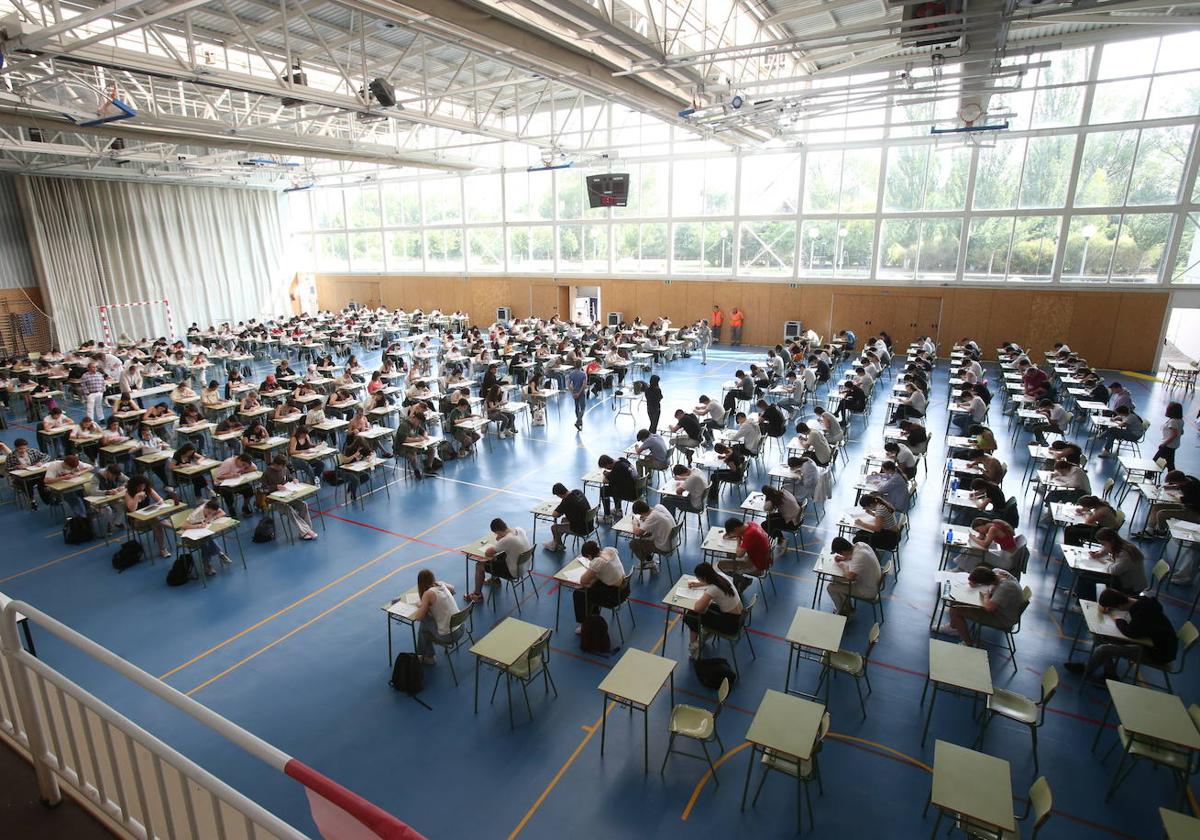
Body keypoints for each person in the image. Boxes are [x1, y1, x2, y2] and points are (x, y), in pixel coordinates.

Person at [1064, 589, 1177, 685]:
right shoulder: (1137, 600)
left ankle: (1086, 670)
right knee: (1101, 638)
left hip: (1158, 653)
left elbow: (1131, 633)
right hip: (1149, 642)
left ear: (1119, 606)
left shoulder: (1142, 613)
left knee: (1104, 649)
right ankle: (1110, 674)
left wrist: (1118, 620)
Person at [944, 566, 1024, 645]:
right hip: (1003, 609)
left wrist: (986, 596)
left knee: (956, 610)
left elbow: (989, 608)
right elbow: (988, 585)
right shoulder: (997, 572)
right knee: (955, 601)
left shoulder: (1004, 588)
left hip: (1003, 619)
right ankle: (953, 626)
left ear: (986, 583)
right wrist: (976, 583)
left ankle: (968, 643)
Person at [682, 562, 742, 659]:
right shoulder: (720, 576)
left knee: (691, 616)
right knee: (704, 610)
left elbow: (698, 607)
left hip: (730, 625)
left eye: (699, 578)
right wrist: (698, 584)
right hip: (738, 617)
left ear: (704, 578)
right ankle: (703, 635)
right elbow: (709, 582)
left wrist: (700, 598)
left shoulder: (713, 589)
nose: (698, 580)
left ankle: (693, 648)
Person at [570, 540, 626, 635]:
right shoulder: (609, 550)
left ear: (589, 556)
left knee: (579, 593)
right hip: (623, 590)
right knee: (591, 587)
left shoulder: (597, 562)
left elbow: (583, 580)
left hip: (612, 596)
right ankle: (593, 617)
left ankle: (584, 624)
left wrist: (589, 581)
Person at [468, 518, 531, 602]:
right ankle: (495, 580)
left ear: (497, 532)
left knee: (480, 565)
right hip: (525, 566)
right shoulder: (519, 529)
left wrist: (499, 540)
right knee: (499, 556)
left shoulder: (507, 540)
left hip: (514, 572)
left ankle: (477, 594)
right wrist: (501, 538)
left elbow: (488, 553)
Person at [409, 569, 463, 665]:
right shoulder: (441, 584)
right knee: (430, 618)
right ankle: (424, 654)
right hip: (461, 628)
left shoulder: (428, 594)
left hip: (449, 636)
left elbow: (418, 617)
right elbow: (453, 589)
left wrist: (421, 605)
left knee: (424, 622)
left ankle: (428, 656)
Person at [262, 454, 318, 541]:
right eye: (281, 466)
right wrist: (275, 487)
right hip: (274, 500)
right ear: (276, 464)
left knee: (303, 505)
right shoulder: (266, 473)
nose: (283, 468)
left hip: (287, 495)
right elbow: (264, 489)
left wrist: (293, 479)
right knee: (288, 509)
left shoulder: (284, 468)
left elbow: (288, 477)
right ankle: (307, 531)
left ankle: (303, 532)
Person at [826, 537, 881, 616]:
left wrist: (843, 566)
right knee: (836, 579)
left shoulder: (859, 557)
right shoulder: (860, 545)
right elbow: (854, 557)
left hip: (867, 590)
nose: (841, 555)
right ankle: (847, 608)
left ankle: (843, 614)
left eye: (841, 553)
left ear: (844, 551)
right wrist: (844, 558)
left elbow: (849, 577)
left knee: (831, 588)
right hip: (872, 583)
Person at [124, 474, 173, 559]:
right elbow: (132, 510)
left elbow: (160, 499)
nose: (141, 488)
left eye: (143, 486)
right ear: (134, 486)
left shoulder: (147, 489)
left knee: (156, 523)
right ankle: (175, 527)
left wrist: (157, 504)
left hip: (149, 516)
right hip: (136, 520)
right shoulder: (129, 494)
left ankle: (162, 549)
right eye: (139, 486)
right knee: (155, 520)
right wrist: (136, 497)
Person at [180, 498, 234, 575]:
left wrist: (212, 518)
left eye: (212, 513)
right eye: (208, 512)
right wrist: (198, 526)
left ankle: (207, 565)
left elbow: (222, 512)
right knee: (205, 541)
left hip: (203, 533)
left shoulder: (211, 505)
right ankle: (220, 553)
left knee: (206, 540)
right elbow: (183, 526)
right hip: (191, 535)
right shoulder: (196, 513)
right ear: (205, 507)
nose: (209, 514)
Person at [629, 499, 675, 573]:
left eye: (640, 514)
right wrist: (646, 519)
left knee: (633, 544)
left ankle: (649, 562)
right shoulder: (659, 507)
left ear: (642, 512)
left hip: (664, 547)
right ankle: (649, 558)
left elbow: (637, 532)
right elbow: (655, 520)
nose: (640, 516)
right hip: (672, 542)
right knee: (646, 537)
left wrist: (635, 522)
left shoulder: (652, 517)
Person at [544, 482, 589, 552]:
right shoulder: (577, 491)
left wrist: (561, 507)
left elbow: (554, 514)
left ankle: (558, 545)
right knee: (563, 520)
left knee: (554, 527)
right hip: (589, 523)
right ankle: (555, 541)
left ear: (559, 494)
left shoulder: (566, 501)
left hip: (581, 529)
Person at [44, 454, 92, 518]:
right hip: (61, 489)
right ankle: (82, 517)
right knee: (72, 497)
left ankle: (89, 512)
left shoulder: (75, 462)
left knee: (85, 492)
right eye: (71, 468)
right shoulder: (54, 465)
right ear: (65, 464)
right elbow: (46, 481)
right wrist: (62, 478)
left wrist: (79, 473)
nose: (72, 469)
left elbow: (91, 467)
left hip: (74, 484)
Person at [597, 454, 639, 521]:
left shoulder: (617, 469)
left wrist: (605, 475)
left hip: (629, 494)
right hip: (636, 489)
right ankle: (618, 510)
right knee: (614, 486)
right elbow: (617, 475)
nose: (606, 468)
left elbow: (605, 481)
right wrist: (609, 474)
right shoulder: (622, 460)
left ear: (608, 464)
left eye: (605, 466)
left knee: (603, 490)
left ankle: (607, 516)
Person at [214, 452, 257, 517]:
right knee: (227, 492)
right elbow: (219, 476)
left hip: (236, 482)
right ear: (239, 459)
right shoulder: (228, 462)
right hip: (222, 484)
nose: (243, 467)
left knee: (249, 489)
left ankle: (245, 506)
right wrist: (232, 475)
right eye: (243, 464)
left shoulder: (245, 461)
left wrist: (243, 471)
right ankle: (231, 509)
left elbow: (254, 468)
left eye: (245, 466)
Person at [1154, 402, 1184, 471]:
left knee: (1155, 461)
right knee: (1170, 464)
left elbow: (1174, 435)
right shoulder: (1180, 420)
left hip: (1168, 446)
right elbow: (1181, 432)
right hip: (1174, 445)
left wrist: (1163, 444)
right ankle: (1174, 479)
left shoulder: (1173, 421)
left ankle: (1148, 476)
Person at [567, 361, 587, 431]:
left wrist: (572, 393)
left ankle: (579, 421)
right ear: (581, 365)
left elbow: (568, 384)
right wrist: (579, 393)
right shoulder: (583, 374)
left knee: (576, 407)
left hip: (574, 391)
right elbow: (584, 385)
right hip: (581, 393)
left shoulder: (571, 374)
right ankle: (578, 421)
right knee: (583, 408)